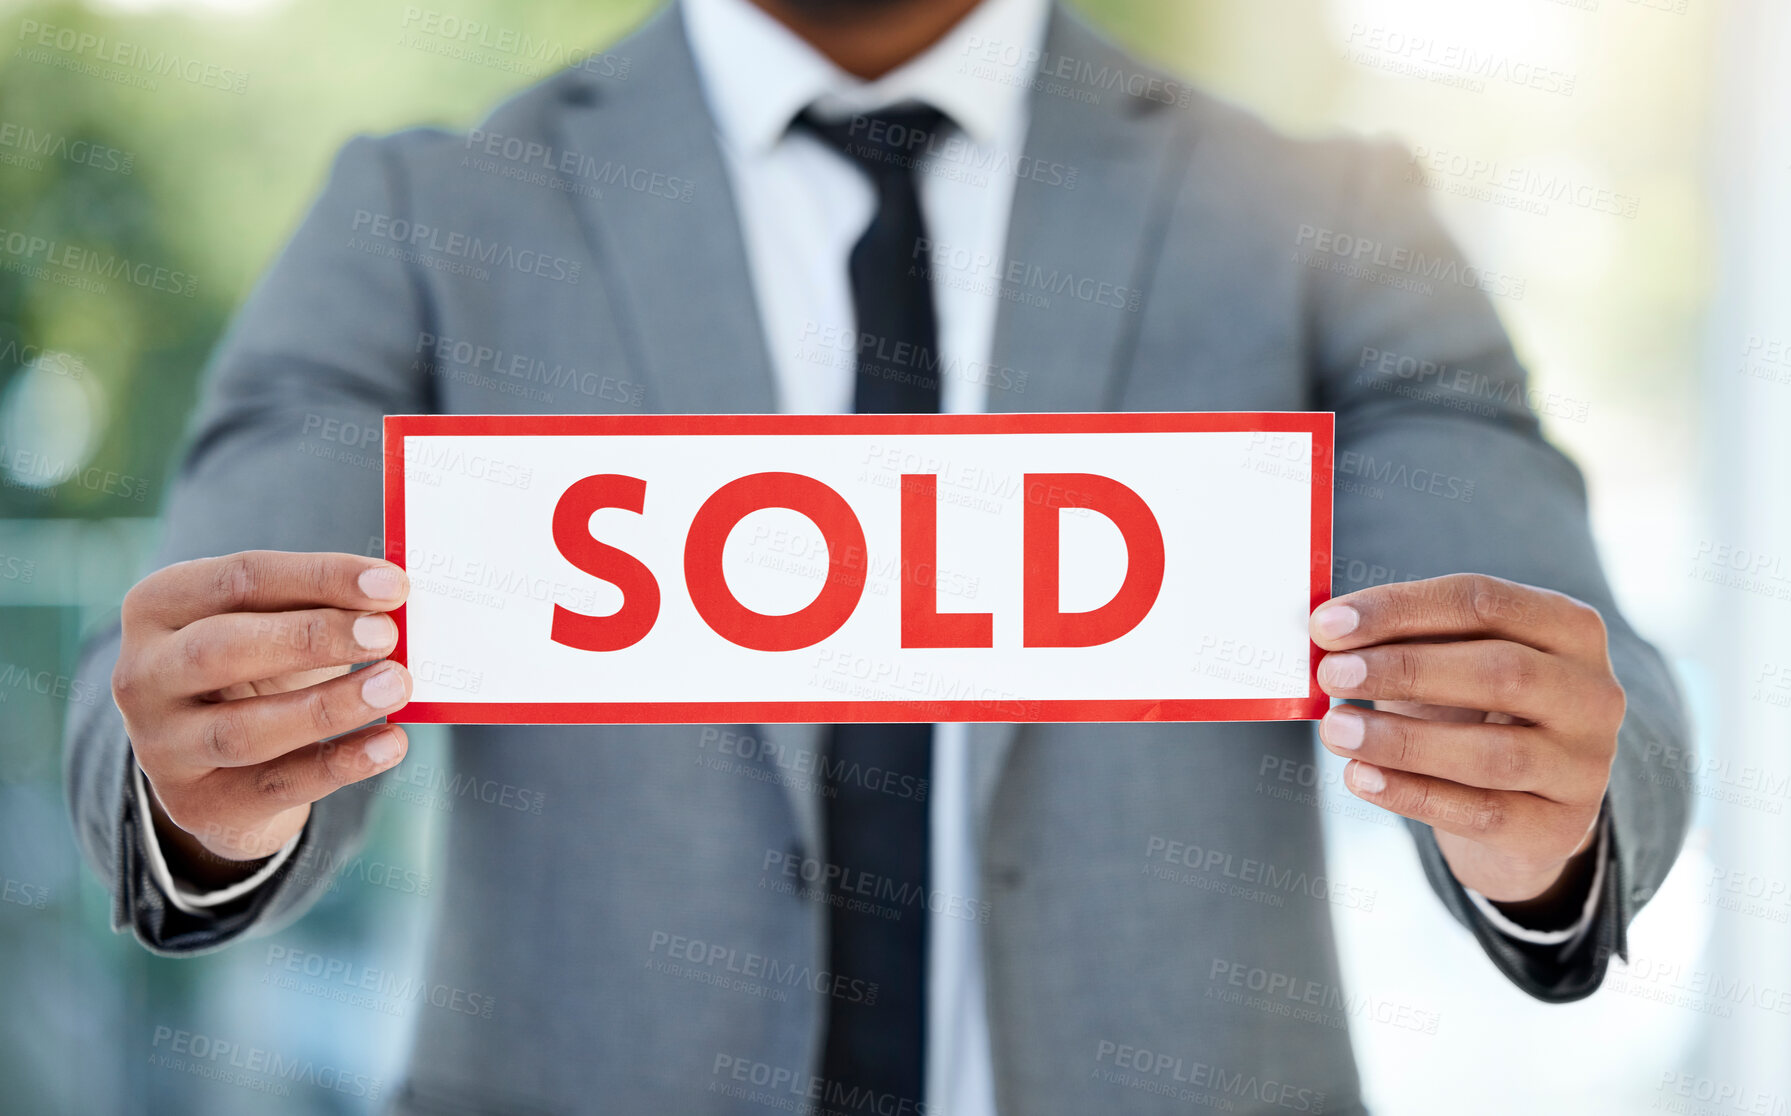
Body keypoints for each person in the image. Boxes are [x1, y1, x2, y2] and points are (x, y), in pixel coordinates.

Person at [66, 0, 1690, 1112]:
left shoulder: (1327, 220)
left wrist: (1536, 800)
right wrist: (210, 778)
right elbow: (170, 674)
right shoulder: (425, 218)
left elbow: (1576, 657)